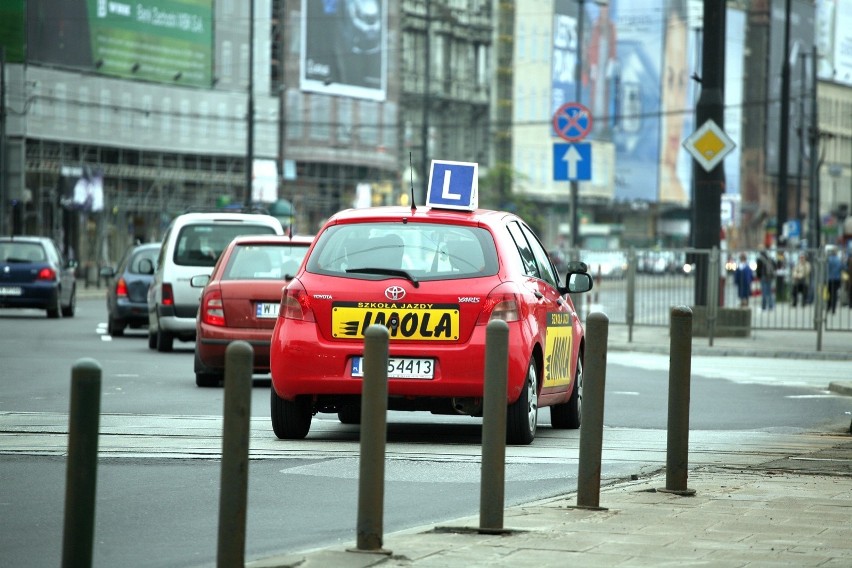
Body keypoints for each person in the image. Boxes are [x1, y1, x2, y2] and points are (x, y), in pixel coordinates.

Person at [825, 246, 843, 314]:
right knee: (834, 294)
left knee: (829, 293)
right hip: (837, 279)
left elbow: (826, 268)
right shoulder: (838, 260)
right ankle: (833, 309)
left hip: (829, 278)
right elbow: (842, 267)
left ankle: (828, 307)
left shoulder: (829, 259)